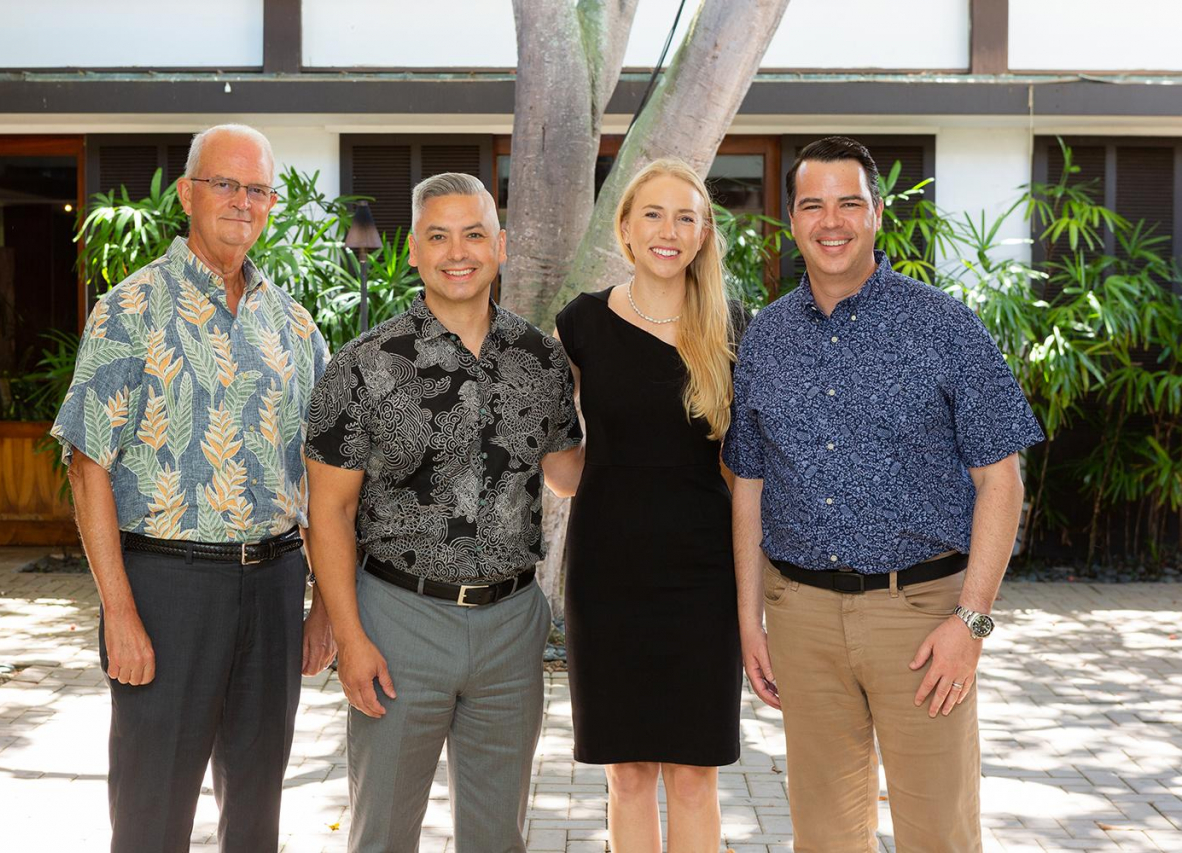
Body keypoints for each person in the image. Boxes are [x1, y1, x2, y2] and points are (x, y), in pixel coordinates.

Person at [724, 136, 1045, 851]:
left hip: (924, 619)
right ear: (792, 218)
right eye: (813, 204)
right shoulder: (767, 338)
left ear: (876, 214)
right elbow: (748, 480)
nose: (830, 221)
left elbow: (1003, 478)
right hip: (801, 618)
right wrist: (751, 621)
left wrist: (973, 621)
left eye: (849, 203)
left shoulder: (945, 325)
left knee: (940, 831)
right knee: (825, 835)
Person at [50, 124, 334, 853]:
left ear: (271, 204)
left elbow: (326, 480)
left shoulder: (294, 324)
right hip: (166, 589)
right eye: (225, 183)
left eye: (258, 188)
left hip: (275, 587)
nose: (243, 201)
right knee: (152, 815)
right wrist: (118, 611)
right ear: (187, 193)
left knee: (256, 815)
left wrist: (325, 605)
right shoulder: (131, 308)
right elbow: (88, 466)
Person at [303, 172, 583, 853]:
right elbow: (329, 513)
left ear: (501, 245)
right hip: (399, 621)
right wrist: (350, 635)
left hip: (513, 624)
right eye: (439, 236)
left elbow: (568, 476)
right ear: (414, 252)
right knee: (384, 834)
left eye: (474, 233)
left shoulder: (541, 358)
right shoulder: (362, 365)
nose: (458, 251)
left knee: (498, 838)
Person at [551, 159, 745, 853]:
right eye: (654, 215)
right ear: (626, 229)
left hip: (703, 580)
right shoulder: (579, 325)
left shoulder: (730, 326)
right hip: (608, 576)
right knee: (628, 772)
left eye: (686, 216)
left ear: (703, 235)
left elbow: (740, 475)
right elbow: (567, 472)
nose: (670, 230)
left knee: (695, 774)